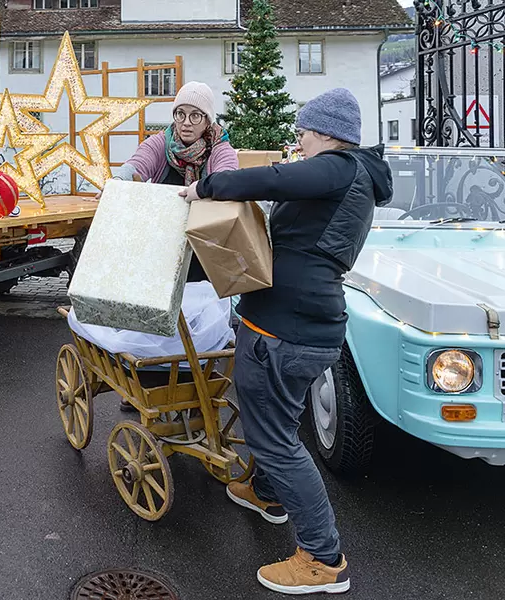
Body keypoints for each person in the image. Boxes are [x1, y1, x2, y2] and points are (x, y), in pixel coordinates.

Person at [179, 88, 393, 595]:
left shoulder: (340, 167)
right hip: (299, 323)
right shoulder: (352, 176)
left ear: (326, 132)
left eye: (304, 131)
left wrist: (207, 187)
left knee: (274, 439)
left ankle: (323, 559)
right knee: (279, 423)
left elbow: (275, 178)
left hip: (285, 327)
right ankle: (264, 493)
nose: (298, 140)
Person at [111, 81, 239, 283]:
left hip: (205, 244)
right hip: (164, 240)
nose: (186, 122)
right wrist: (117, 182)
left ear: (207, 120)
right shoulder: (162, 142)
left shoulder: (220, 148)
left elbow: (227, 179)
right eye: (180, 113)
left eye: (195, 115)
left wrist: (203, 189)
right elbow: (138, 164)